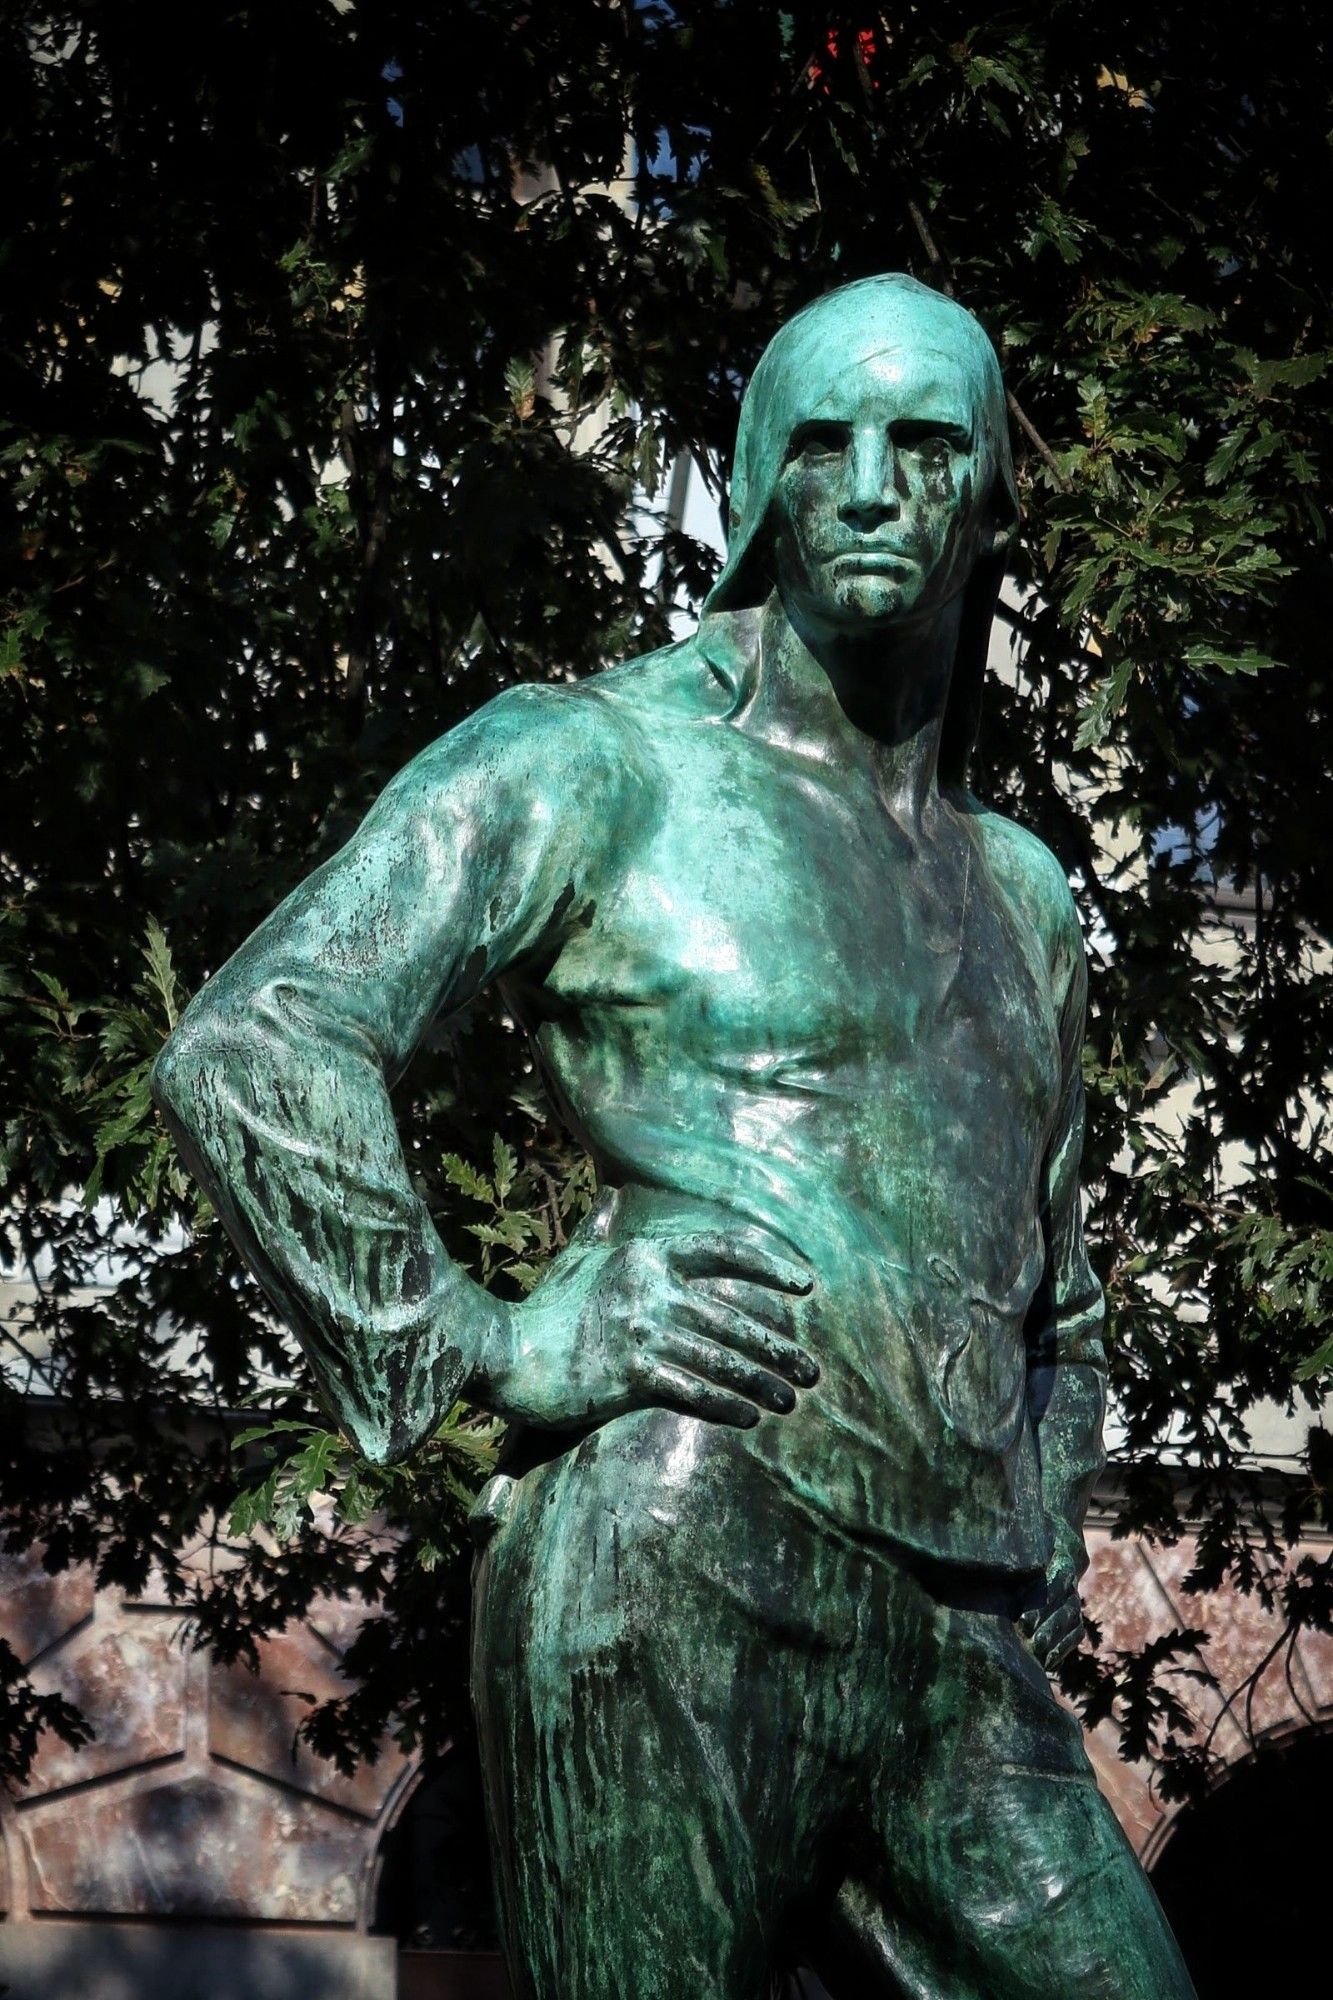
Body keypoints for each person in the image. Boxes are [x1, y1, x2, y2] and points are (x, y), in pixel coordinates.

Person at [154, 274, 1196, 1999]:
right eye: (820, 447)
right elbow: (262, 1040)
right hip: (673, 1544)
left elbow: (1056, 1296)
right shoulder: (593, 760)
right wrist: (486, 1335)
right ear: (760, 487)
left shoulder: (1021, 895)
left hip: (953, 1632)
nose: (869, 484)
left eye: (925, 444)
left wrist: (1048, 1517)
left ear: (985, 497)